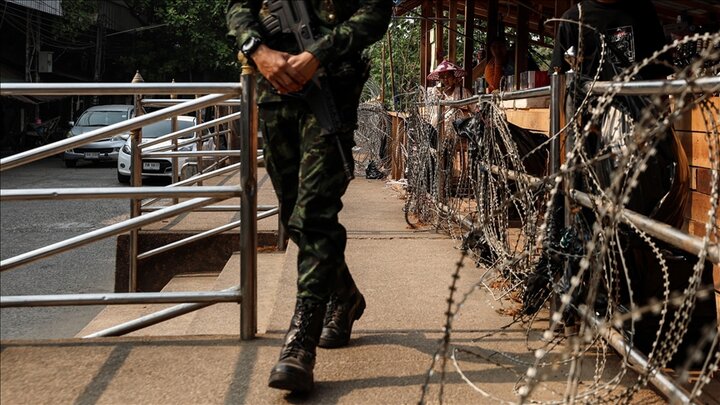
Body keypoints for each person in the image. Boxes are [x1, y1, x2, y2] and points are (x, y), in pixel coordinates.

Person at [226, 0, 392, 393]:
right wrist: (258, 49)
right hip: (275, 94)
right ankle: (346, 296)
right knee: (293, 217)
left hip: (328, 92)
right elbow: (237, 7)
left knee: (314, 214)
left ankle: (299, 344)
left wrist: (316, 55)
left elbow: (374, 15)